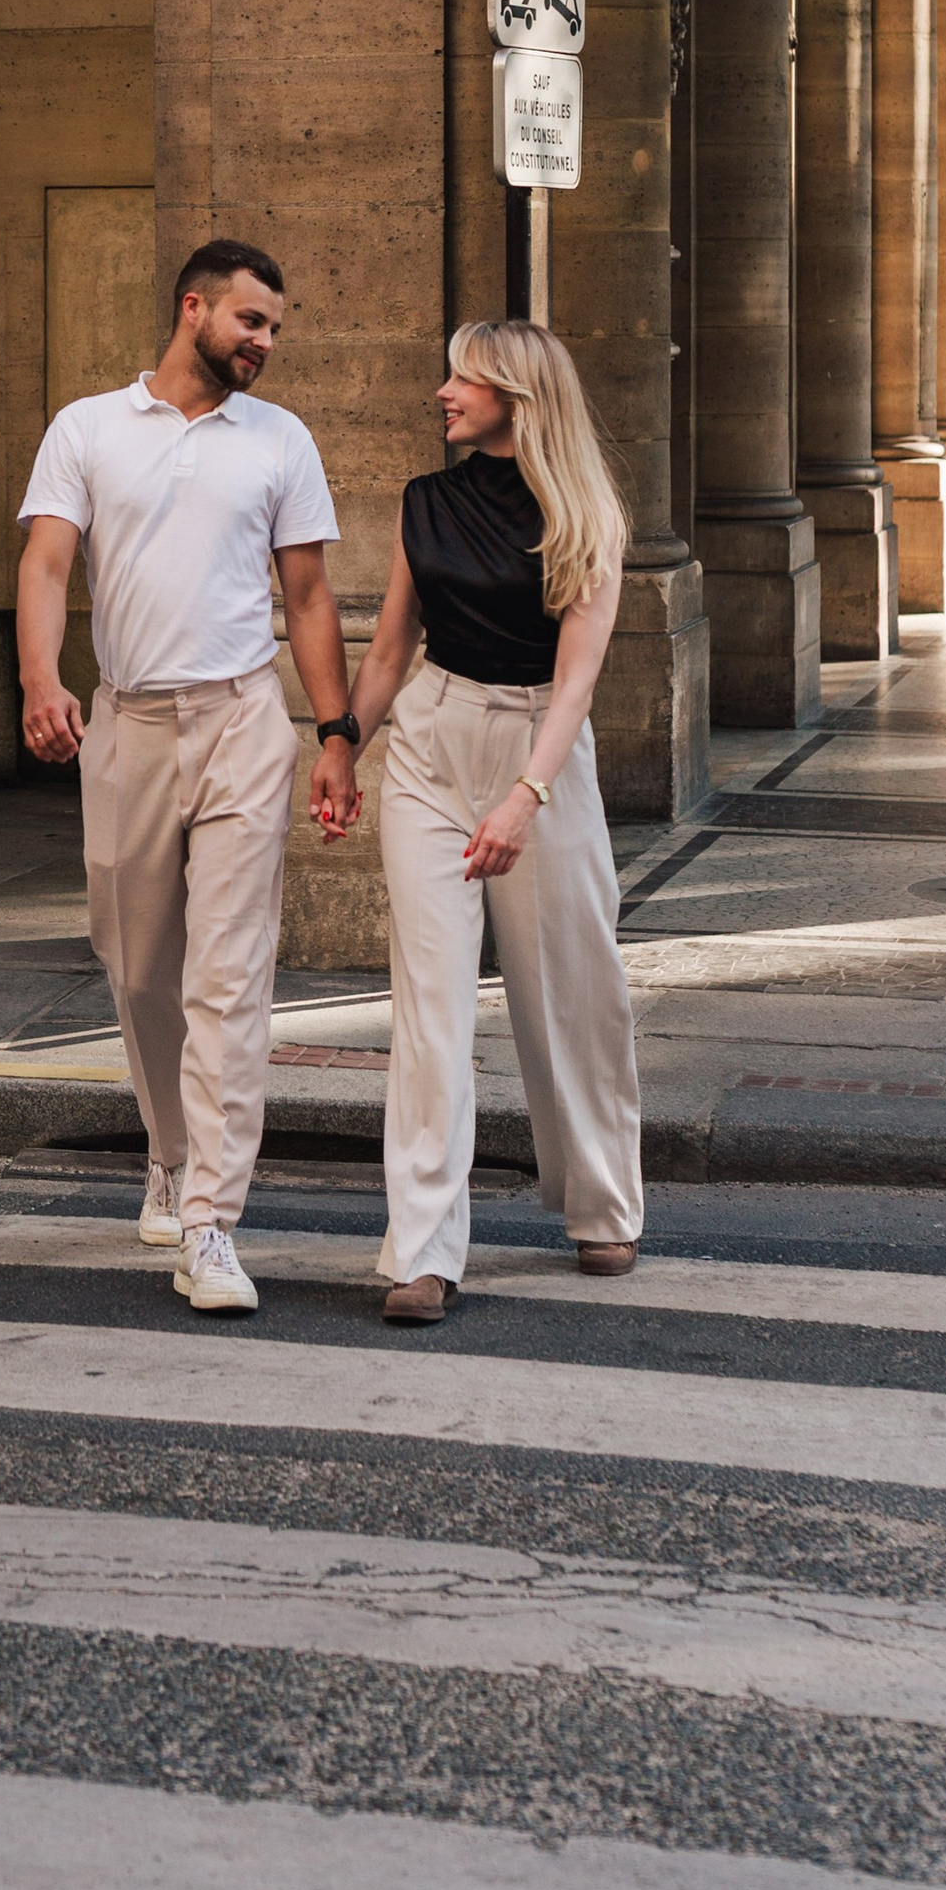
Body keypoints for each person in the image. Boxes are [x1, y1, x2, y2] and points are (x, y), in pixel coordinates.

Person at [16, 238, 351, 1319]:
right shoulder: (88, 427)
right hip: (125, 723)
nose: (263, 344)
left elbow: (307, 598)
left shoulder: (279, 440)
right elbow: (47, 563)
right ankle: (167, 1151)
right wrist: (41, 681)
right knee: (138, 963)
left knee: (229, 974)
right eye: (251, 322)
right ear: (192, 308)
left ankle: (210, 1218)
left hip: (244, 719)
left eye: (274, 330)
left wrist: (335, 731)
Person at [308, 319, 639, 1320]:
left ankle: (601, 1203)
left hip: (541, 749)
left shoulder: (586, 516)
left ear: (516, 396)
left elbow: (577, 685)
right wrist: (339, 742)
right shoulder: (426, 502)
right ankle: (420, 1248)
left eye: (465, 378)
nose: (444, 391)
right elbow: (390, 648)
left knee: (572, 988)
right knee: (432, 1004)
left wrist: (523, 798)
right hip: (431, 745)